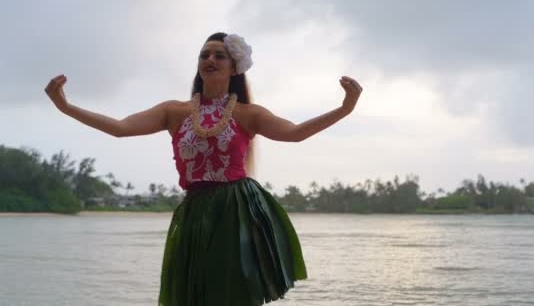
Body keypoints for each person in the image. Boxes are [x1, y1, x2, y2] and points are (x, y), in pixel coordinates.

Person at [44, 32, 363, 305]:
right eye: (204, 54)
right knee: (192, 294)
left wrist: (344, 109)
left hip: (237, 210)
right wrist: (66, 107)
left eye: (219, 55)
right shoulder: (174, 111)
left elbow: (294, 133)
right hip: (195, 210)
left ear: (234, 66)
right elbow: (120, 127)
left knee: (232, 292)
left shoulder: (247, 113)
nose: (210, 59)